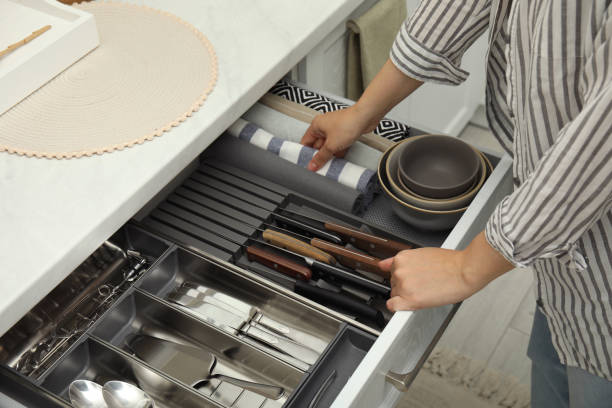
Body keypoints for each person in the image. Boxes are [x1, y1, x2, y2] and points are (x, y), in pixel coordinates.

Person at [301, 1, 612, 407]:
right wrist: (362, 112)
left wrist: (468, 266)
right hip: (562, 265)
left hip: (602, 270)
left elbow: (600, 141)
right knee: (557, 362)